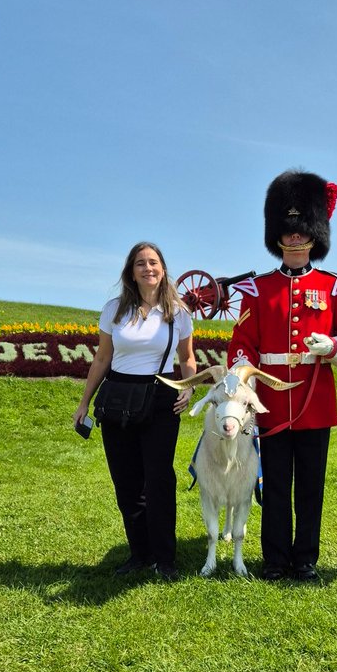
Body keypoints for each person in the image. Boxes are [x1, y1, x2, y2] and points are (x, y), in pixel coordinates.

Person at [228, 170, 337, 582]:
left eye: (300, 228)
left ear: (313, 232)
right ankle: (274, 559)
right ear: (278, 234)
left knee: (309, 485)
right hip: (270, 404)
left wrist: (335, 347)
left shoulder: (334, 286)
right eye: (287, 230)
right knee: (274, 484)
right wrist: (243, 377)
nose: (293, 237)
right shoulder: (257, 288)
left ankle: (305, 558)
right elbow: (242, 342)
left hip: (314, 402)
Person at [73, 242, 197, 581]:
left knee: (158, 479)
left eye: (153, 262)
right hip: (117, 400)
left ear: (163, 268)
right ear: (131, 271)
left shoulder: (179, 312)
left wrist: (189, 387)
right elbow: (102, 357)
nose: (147, 268)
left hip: (161, 398)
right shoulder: (115, 309)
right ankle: (139, 554)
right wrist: (84, 402)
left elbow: (187, 359)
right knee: (126, 481)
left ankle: (165, 558)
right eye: (140, 263)